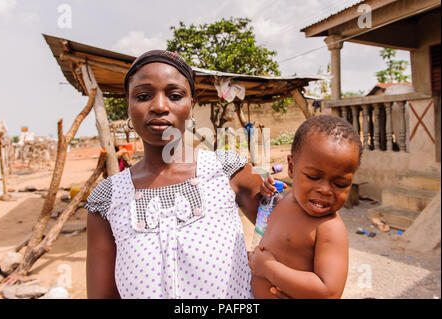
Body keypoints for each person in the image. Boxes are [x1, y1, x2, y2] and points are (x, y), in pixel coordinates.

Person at [85, 50, 264, 299]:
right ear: (128, 102)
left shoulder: (227, 171)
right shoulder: (107, 199)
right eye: (144, 96)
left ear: (191, 103)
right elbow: (102, 295)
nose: (159, 106)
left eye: (175, 95)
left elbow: (293, 231)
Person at [248, 115, 363, 299]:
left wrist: (268, 268)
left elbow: (329, 291)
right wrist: (265, 192)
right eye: (313, 177)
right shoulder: (290, 199)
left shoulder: (329, 228)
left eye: (340, 184)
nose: (325, 190)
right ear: (292, 167)